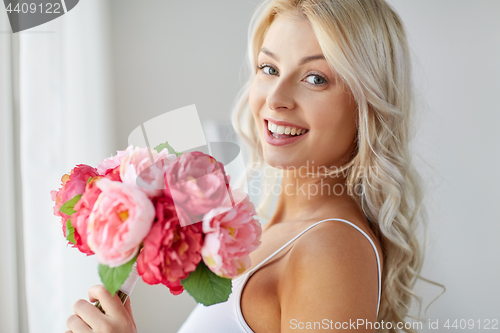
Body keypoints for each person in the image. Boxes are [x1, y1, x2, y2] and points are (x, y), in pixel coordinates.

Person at [66, 0, 434, 332]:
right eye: (269, 68)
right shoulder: (272, 228)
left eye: (315, 78)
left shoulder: (331, 249)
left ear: (367, 102)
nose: (276, 99)